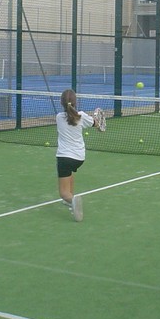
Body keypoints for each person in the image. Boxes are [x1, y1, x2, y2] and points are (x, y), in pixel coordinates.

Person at [55, 89, 96, 222]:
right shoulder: (82, 116)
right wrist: (96, 120)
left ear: (61, 103)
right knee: (70, 172)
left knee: (63, 193)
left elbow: (70, 117)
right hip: (79, 158)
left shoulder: (58, 117)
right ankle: (70, 199)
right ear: (75, 102)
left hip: (64, 157)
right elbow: (95, 123)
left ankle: (70, 199)